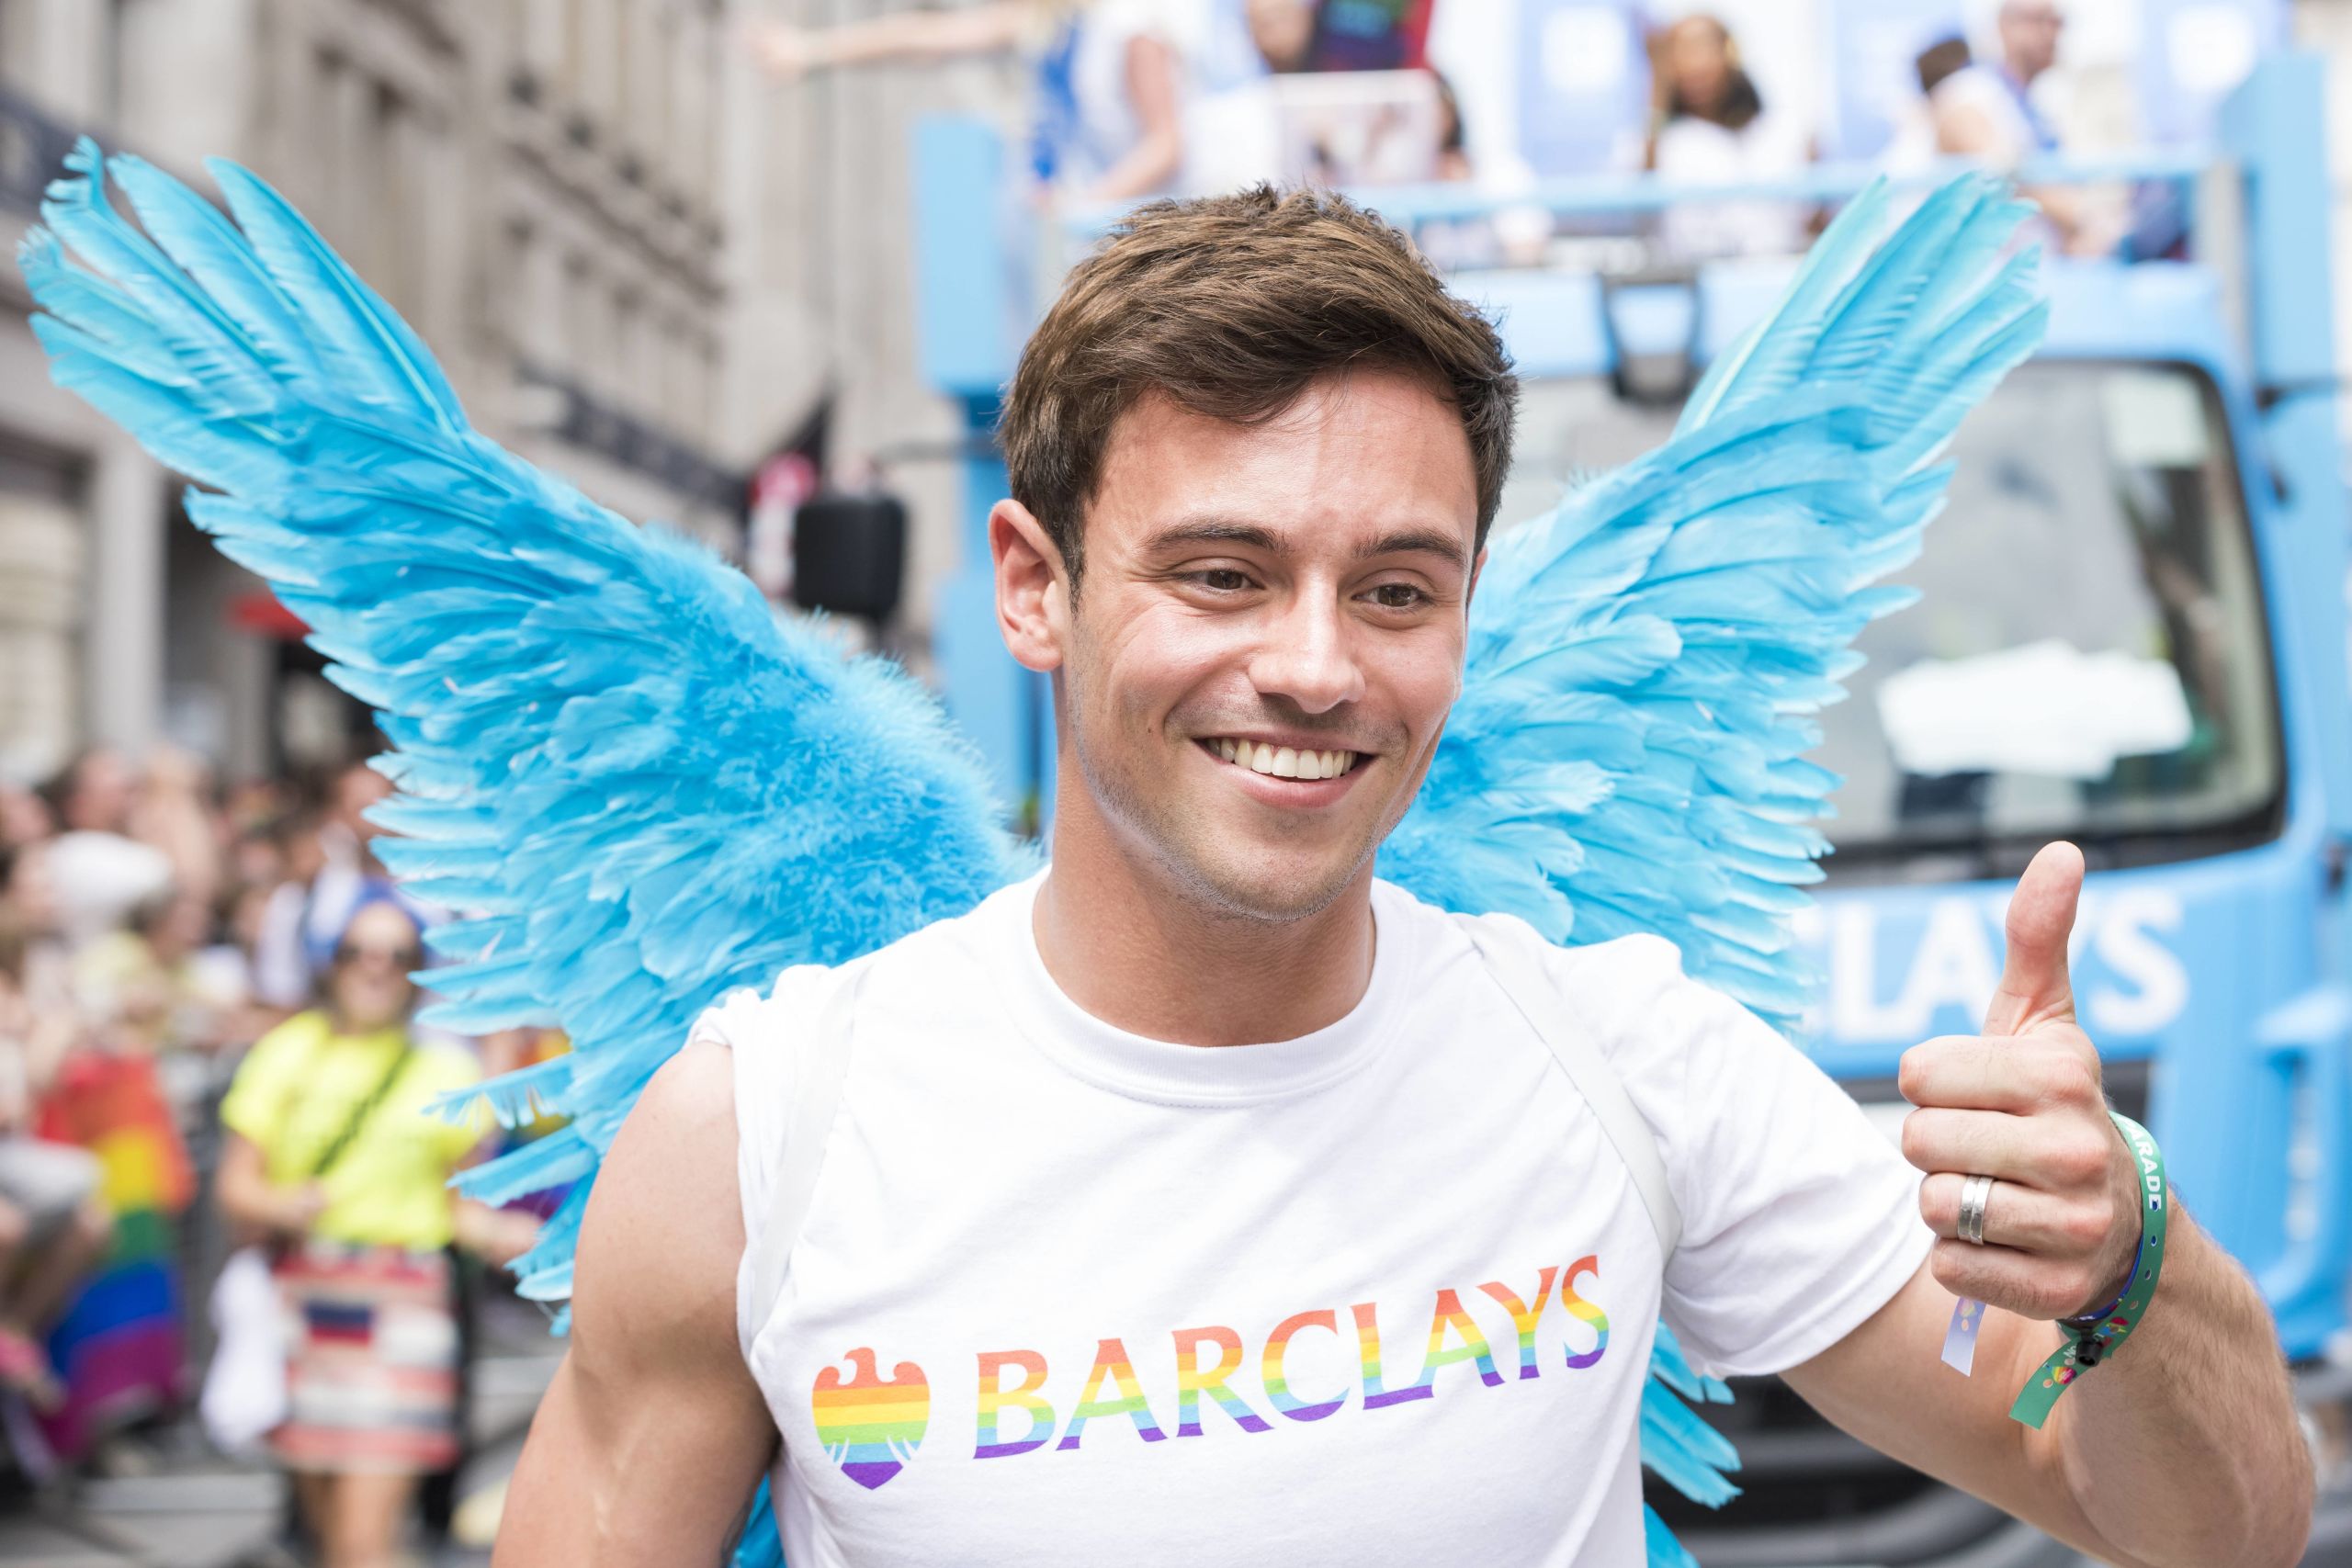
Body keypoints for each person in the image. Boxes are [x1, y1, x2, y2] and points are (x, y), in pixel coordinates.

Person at [492, 187, 2311, 1565]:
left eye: (1393, 590)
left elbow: (2194, 1526)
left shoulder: (1622, 1059)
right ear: (1034, 587)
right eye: (1221, 573)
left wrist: (2127, 1249)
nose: (1315, 667)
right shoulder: (765, 1133)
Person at [217, 898, 535, 1568]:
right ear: (330, 963)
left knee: (364, 1539)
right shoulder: (286, 1051)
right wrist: (281, 1204)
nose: (375, 969)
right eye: (357, 952)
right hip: (305, 1302)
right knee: (331, 1538)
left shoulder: (444, 1068)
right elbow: (235, 1185)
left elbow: (458, 1203)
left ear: (417, 971)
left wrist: (510, 1234)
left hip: (403, 1304)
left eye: (398, 957)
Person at [745, 1, 1209, 205]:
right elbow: (927, 36)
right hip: (1072, 230)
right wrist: (812, 51)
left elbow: (1166, 145)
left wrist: (1084, 204)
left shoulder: (1132, 23)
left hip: (1133, 234)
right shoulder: (1048, 19)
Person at [1929, 1, 2116, 255]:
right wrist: (2086, 219)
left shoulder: (2039, 108)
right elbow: (2006, 174)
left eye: (2057, 22)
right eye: (2037, 20)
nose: (2050, 33)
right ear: (2003, 27)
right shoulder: (1968, 95)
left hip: (2039, 265)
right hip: (1984, 269)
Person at [1645, 14, 1810, 259]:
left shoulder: (1778, 134)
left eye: (1703, 47)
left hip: (1777, 270)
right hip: (1697, 273)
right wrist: (1658, 90)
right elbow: (1641, 199)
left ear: (1729, 51)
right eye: (1679, 53)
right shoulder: (1669, 142)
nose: (1694, 64)